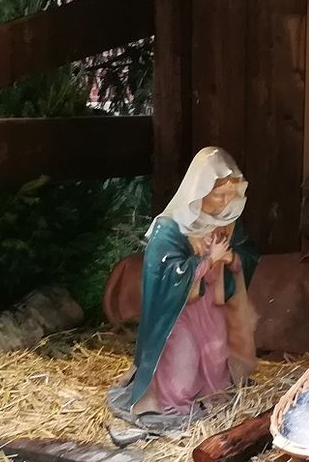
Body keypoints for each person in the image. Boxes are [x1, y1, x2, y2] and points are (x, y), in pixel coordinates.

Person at [107, 147, 259, 434]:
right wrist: (207, 261)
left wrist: (230, 259)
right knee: (181, 380)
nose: (225, 202)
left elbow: (248, 255)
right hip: (178, 316)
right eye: (219, 195)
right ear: (199, 190)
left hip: (212, 309)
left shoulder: (229, 222)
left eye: (230, 195)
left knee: (216, 363)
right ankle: (168, 401)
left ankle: (212, 398)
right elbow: (163, 275)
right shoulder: (170, 228)